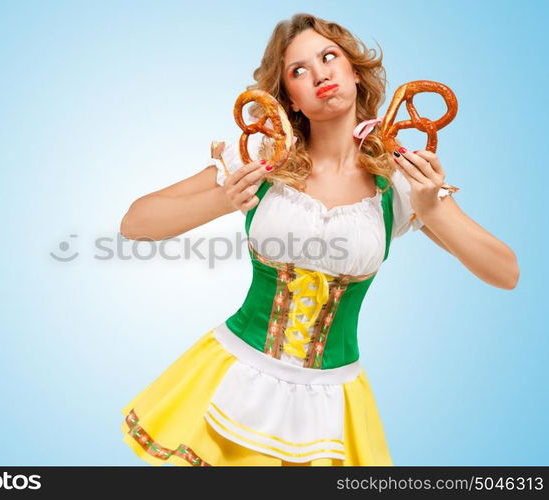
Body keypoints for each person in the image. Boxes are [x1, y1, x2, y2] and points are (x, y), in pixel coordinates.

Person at [118, 13, 519, 466]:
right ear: (289, 97)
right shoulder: (260, 161)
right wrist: (226, 199)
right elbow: (135, 224)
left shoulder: (402, 182)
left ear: (353, 70)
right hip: (233, 378)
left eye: (329, 57)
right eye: (299, 70)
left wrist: (431, 210)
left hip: (331, 406)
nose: (320, 73)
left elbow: (505, 272)